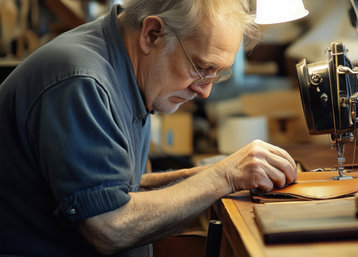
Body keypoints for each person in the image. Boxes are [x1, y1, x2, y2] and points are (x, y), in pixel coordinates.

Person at [0, 0, 297, 256]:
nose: (205, 92)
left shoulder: (125, 71)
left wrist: (231, 173)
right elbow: (109, 226)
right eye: (200, 68)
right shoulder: (82, 81)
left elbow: (124, 190)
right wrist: (225, 175)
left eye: (216, 75)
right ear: (152, 34)